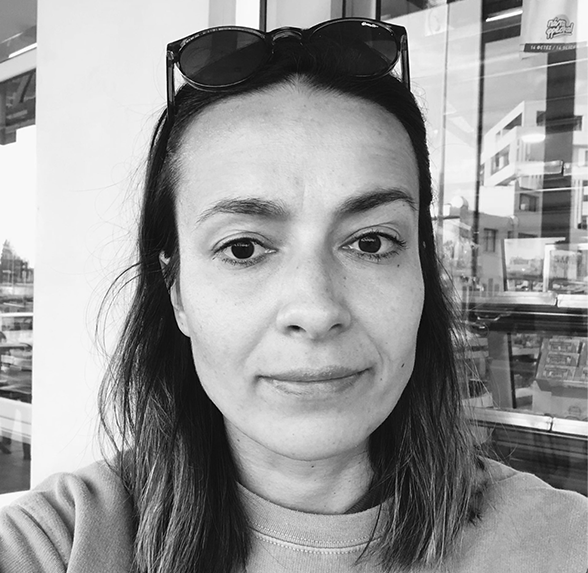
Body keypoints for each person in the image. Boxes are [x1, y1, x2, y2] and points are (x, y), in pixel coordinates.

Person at [0, 17, 586, 573]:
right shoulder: (61, 544)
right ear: (175, 290)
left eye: (372, 242)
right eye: (243, 248)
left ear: (422, 273)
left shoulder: (563, 542)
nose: (316, 310)